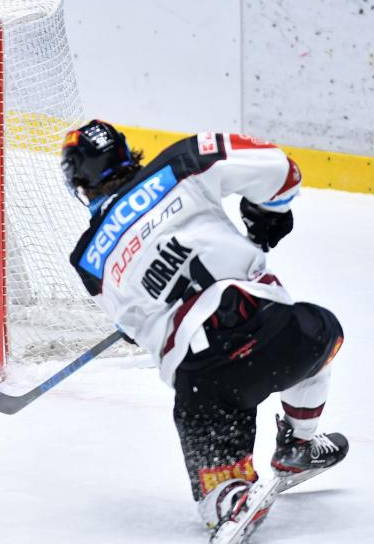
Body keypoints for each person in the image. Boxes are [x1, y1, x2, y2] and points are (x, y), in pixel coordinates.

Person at [61, 121, 348, 539]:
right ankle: (298, 445)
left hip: (204, 381)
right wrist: (269, 211)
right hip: (272, 334)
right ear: (127, 153)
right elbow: (282, 170)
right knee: (322, 336)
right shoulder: (182, 160)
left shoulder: (87, 260)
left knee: (217, 499)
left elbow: (134, 325)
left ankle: (232, 498)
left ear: (79, 183)